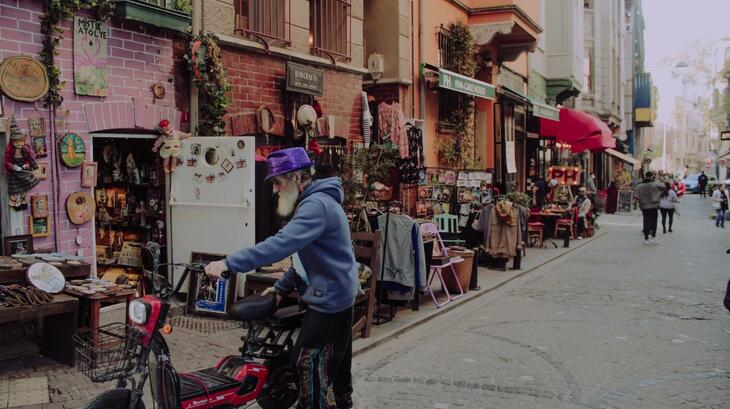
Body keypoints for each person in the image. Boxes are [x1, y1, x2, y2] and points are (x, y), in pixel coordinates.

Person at [204, 147, 358, 409]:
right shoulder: (313, 202)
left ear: (297, 178)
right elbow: (306, 256)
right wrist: (280, 287)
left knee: (306, 360)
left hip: (331, 297)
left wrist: (229, 263)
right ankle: (342, 401)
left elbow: (280, 245)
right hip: (333, 291)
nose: (274, 189)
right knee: (336, 359)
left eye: (277, 181)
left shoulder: (316, 206)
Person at [635, 171, 665, 244]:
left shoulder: (639, 186)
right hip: (654, 206)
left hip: (644, 206)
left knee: (646, 221)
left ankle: (646, 238)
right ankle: (653, 237)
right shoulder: (656, 184)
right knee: (654, 222)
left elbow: (636, 196)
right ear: (652, 176)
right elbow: (664, 187)